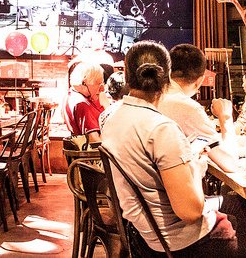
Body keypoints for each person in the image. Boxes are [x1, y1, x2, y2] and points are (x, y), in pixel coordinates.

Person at [101, 40, 238, 256]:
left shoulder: (111, 118)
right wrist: (196, 165)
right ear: (166, 79)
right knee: (242, 212)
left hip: (141, 235)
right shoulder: (162, 128)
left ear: (126, 76)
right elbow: (190, 212)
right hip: (179, 243)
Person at [159, 44, 237, 171]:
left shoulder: (154, 96)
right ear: (200, 81)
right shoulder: (187, 107)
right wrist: (225, 118)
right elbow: (230, 164)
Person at [63, 62, 104, 142]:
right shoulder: (82, 104)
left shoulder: (71, 94)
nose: (102, 89)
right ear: (85, 82)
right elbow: (95, 141)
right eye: (98, 84)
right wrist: (107, 107)